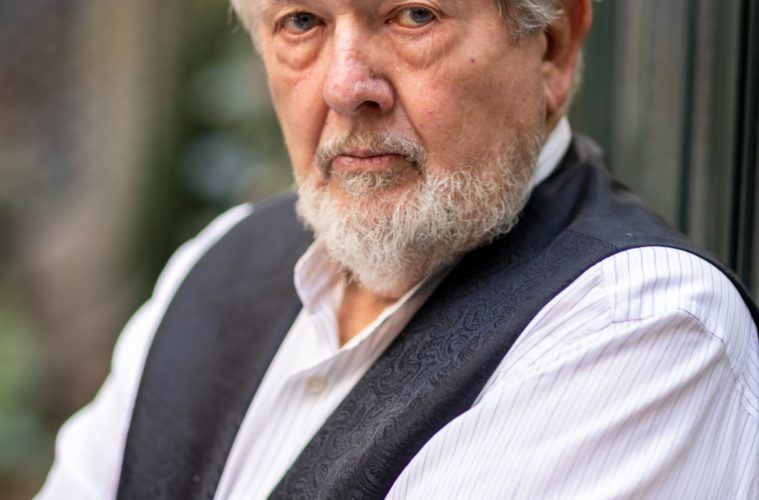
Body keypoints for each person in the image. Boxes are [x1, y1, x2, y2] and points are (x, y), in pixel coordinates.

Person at [38, 0, 759, 498]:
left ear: (554, 45)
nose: (346, 87)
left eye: (413, 15)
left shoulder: (642, 329)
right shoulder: (218, 260)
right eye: (301, 22)